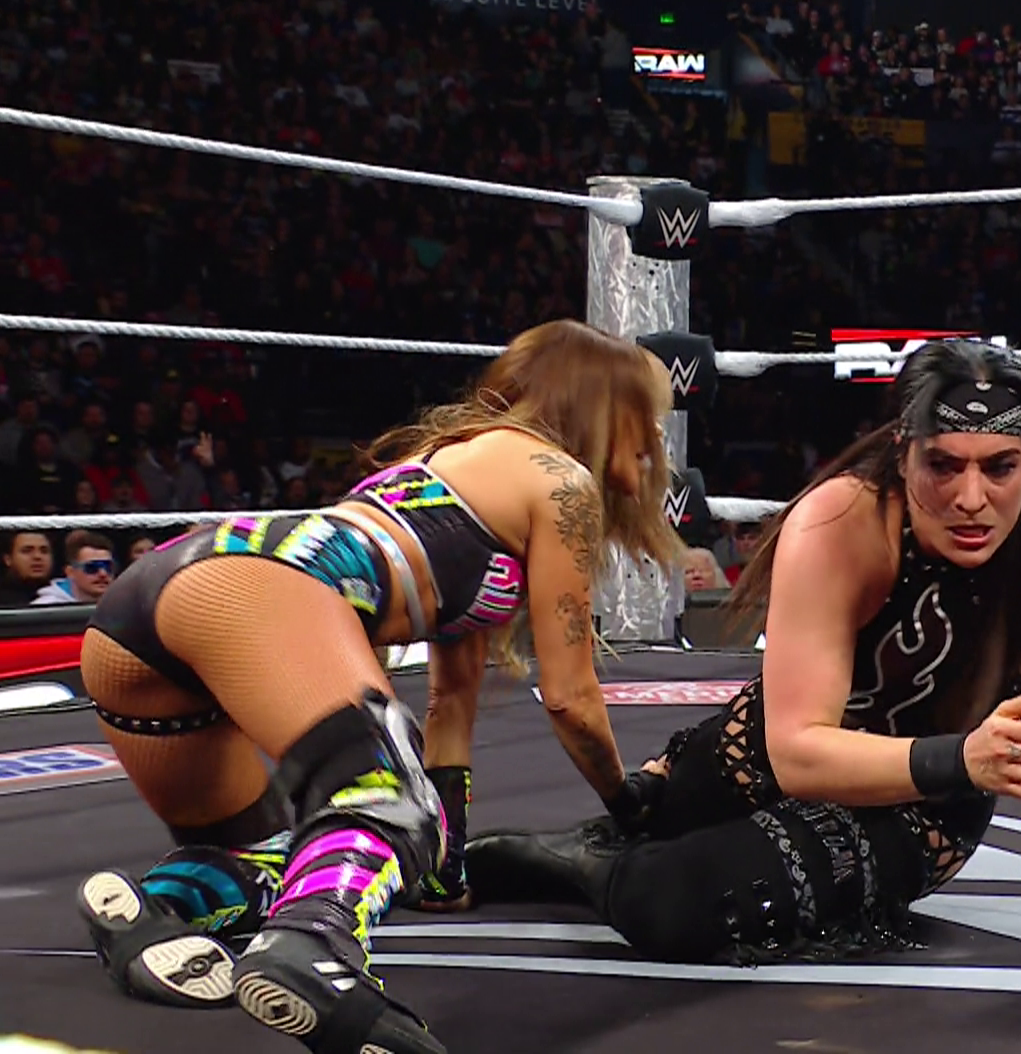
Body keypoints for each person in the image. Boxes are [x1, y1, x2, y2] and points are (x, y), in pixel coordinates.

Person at [462, 341, 1021, 983]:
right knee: (657, 812)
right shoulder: (841, 520)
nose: (971, 499)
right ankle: (615, 834)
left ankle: (585, 863)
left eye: (999, 468)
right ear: (903, 450)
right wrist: (968, 755)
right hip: (778, 748)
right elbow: (795, 750)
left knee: (668, 902)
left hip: (921, 807)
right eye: (943, 465)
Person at [71, 320, 681, 1054]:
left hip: (143, 619)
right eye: (649, 414)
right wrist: (627, 802)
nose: (657, 438)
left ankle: (153, 914)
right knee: (386, 801)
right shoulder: (560, 482)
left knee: (274, 856)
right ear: (609, 406)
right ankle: (312, 950)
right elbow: (571, 698)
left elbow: (451, 700)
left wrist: (444, 868)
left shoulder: (449, 464)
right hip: (252, 587)